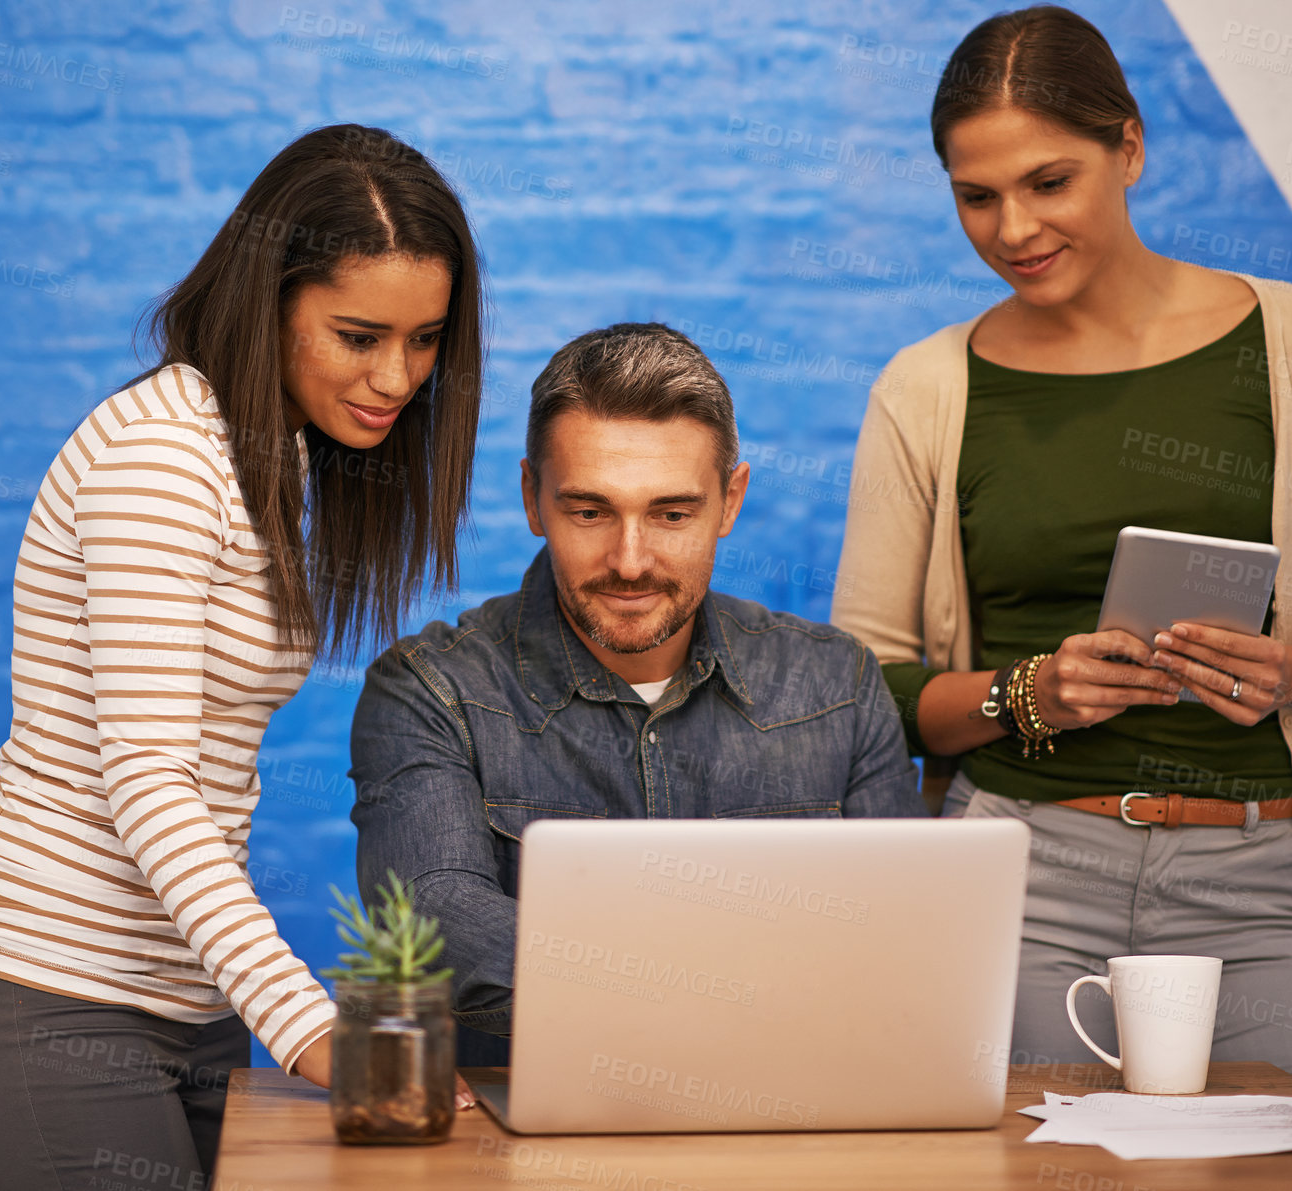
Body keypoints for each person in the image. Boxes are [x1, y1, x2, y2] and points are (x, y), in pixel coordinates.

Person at [830, 6, 1292, 1103]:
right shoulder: (926, 387)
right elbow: (866, 689)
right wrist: (1030, 693)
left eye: (1048, 182)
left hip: (1250, 880)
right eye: (978, 196)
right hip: (1018, 873)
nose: (1012, 228)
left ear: (1131, 148)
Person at [0, 124, 485, 1190]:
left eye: (425, 339)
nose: (397, 376)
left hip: (185, 1005)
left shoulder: (259, 458)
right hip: (44, 995)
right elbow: (149, 779)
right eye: (358, 335)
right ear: (271, 302)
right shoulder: (164, 456)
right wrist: (312, 1029)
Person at [350, 322, 922, 1058]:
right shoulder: (431, 690)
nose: (629, 561)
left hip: (788, 1117)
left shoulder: (834, 684)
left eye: (671, 514)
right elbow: (435, 922)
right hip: (516, 1142)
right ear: (531, 497)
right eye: (589, 512)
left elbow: (900, 933)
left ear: (730, 500)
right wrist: (734, 989)